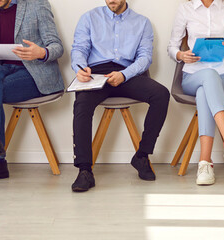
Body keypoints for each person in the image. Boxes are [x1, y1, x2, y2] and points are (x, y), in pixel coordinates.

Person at [70, 0, 170, 192]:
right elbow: (79, 49)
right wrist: (80, 68)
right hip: (97, 73)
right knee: (81, 103)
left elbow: (144, 57)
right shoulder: (89, 18)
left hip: (128, 73)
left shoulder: (142, 22)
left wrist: (124, 75)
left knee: (161, 94)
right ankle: (84, 170)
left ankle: (141, 156)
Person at [0, 0, 65, 182]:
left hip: (34, 76)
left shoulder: (37, 6)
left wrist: (41, 53)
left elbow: (57, 46)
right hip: (5, 74)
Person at [167, 0, 224, 186]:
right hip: (193, 76)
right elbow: (172, 47)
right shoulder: (185, 8)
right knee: (208, 78)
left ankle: (204, 163)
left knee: (204, 93)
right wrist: (181, 55)